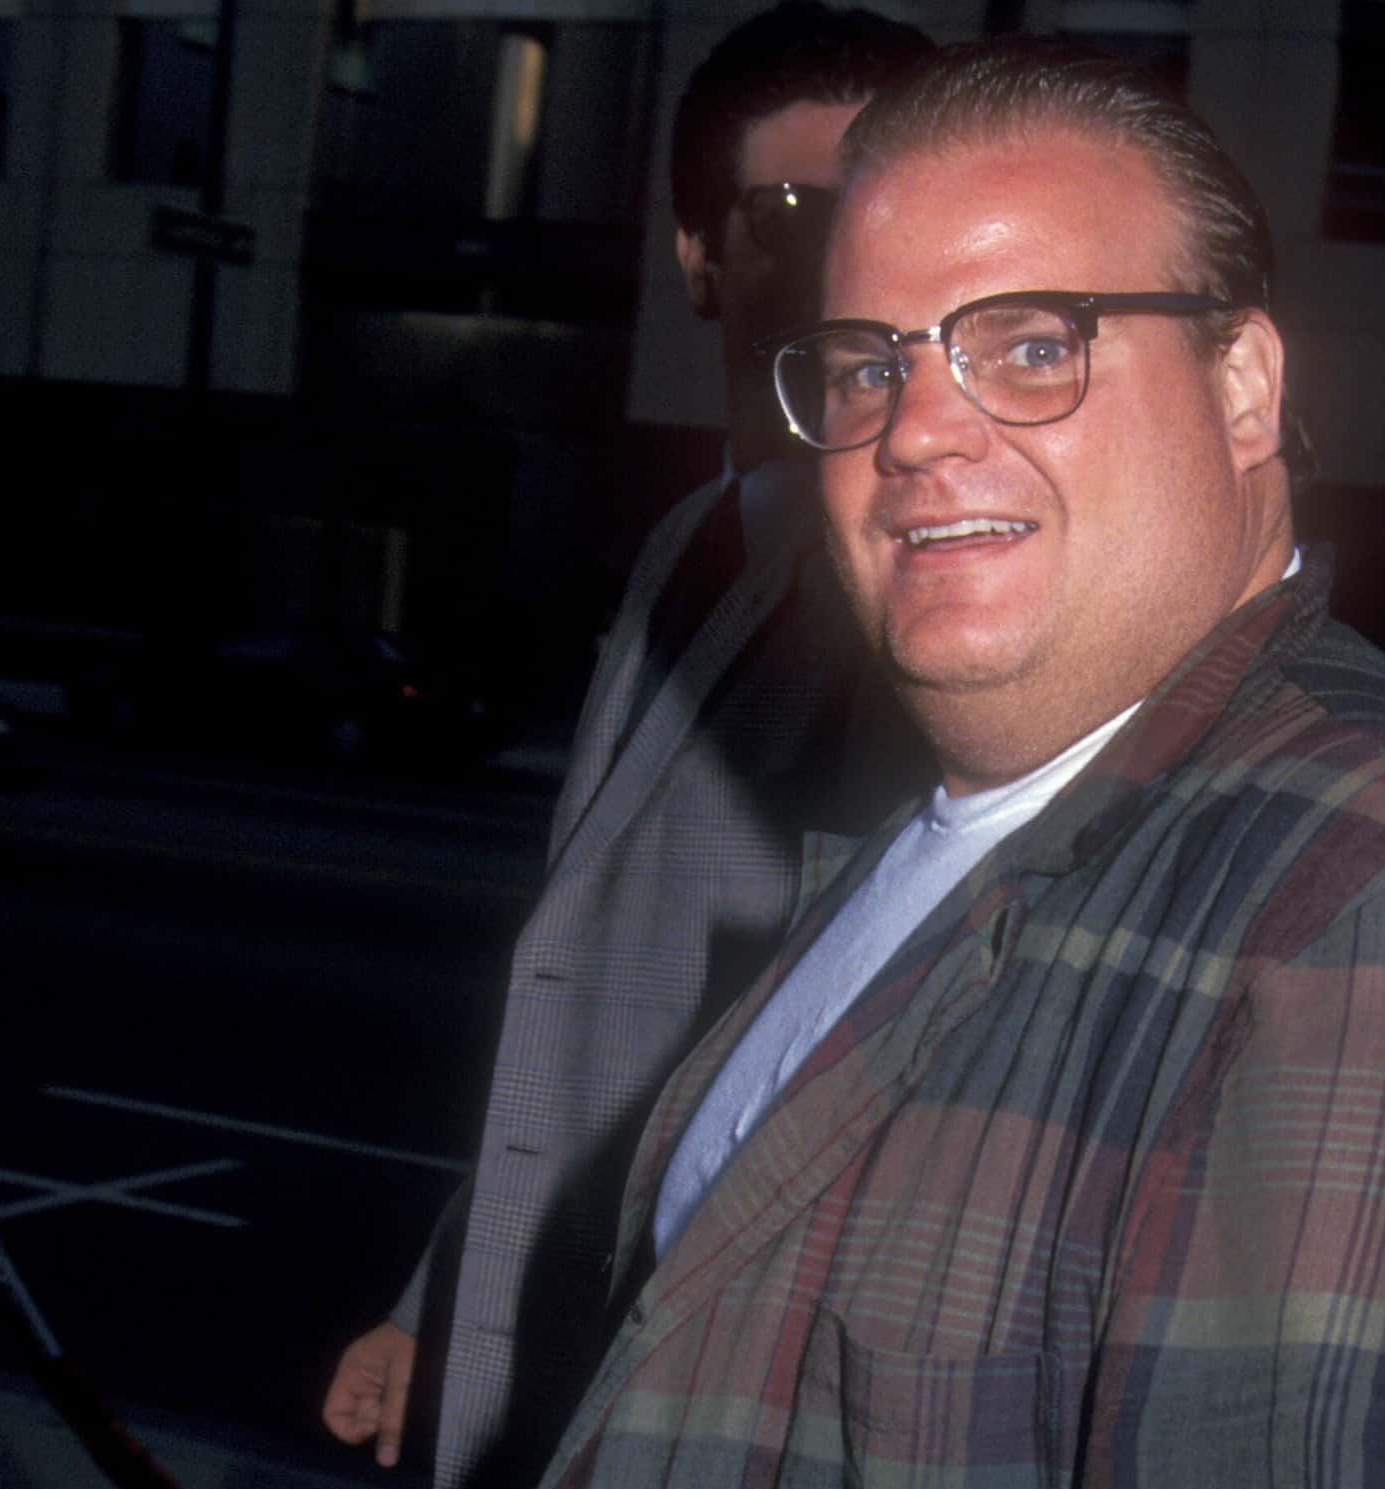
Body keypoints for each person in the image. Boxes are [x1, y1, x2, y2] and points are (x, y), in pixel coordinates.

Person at [538, 38, 1385, 1489]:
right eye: (865, 364)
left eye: (1032, 344)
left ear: (1245, 389)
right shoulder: (945, 825)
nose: (916, 430)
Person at [319, 8, 932, 1487]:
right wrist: (438, 1297)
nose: (850, 249)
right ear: (698, 255)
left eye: (887, 205)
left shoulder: (916, 587)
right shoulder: (680, 550)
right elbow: (586, 1010)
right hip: (541, 1361)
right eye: (796, 209)